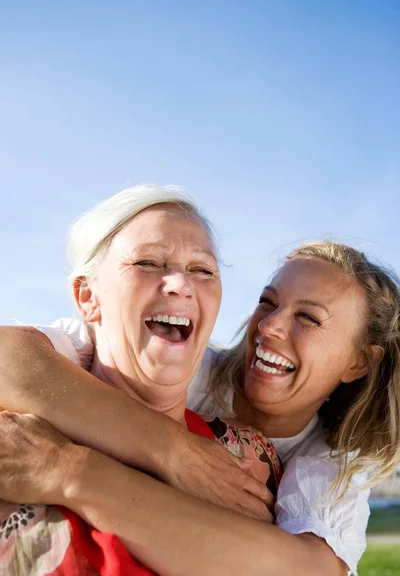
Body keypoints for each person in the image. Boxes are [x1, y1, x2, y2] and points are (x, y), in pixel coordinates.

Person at [1, 232, 400, 573]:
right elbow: (9, 358)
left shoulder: (329, 462)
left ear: (359, 361)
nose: (269, 326)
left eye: (309, 318)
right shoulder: (182, 363)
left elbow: (306, 570)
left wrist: (70, 471)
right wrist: (173, 450)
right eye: (268, 301)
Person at [0, 184, 281, 575]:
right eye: (148, 263)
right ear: (87, 298)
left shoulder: (255, 460)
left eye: (202, 270)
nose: (181, 285)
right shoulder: (15, 443)